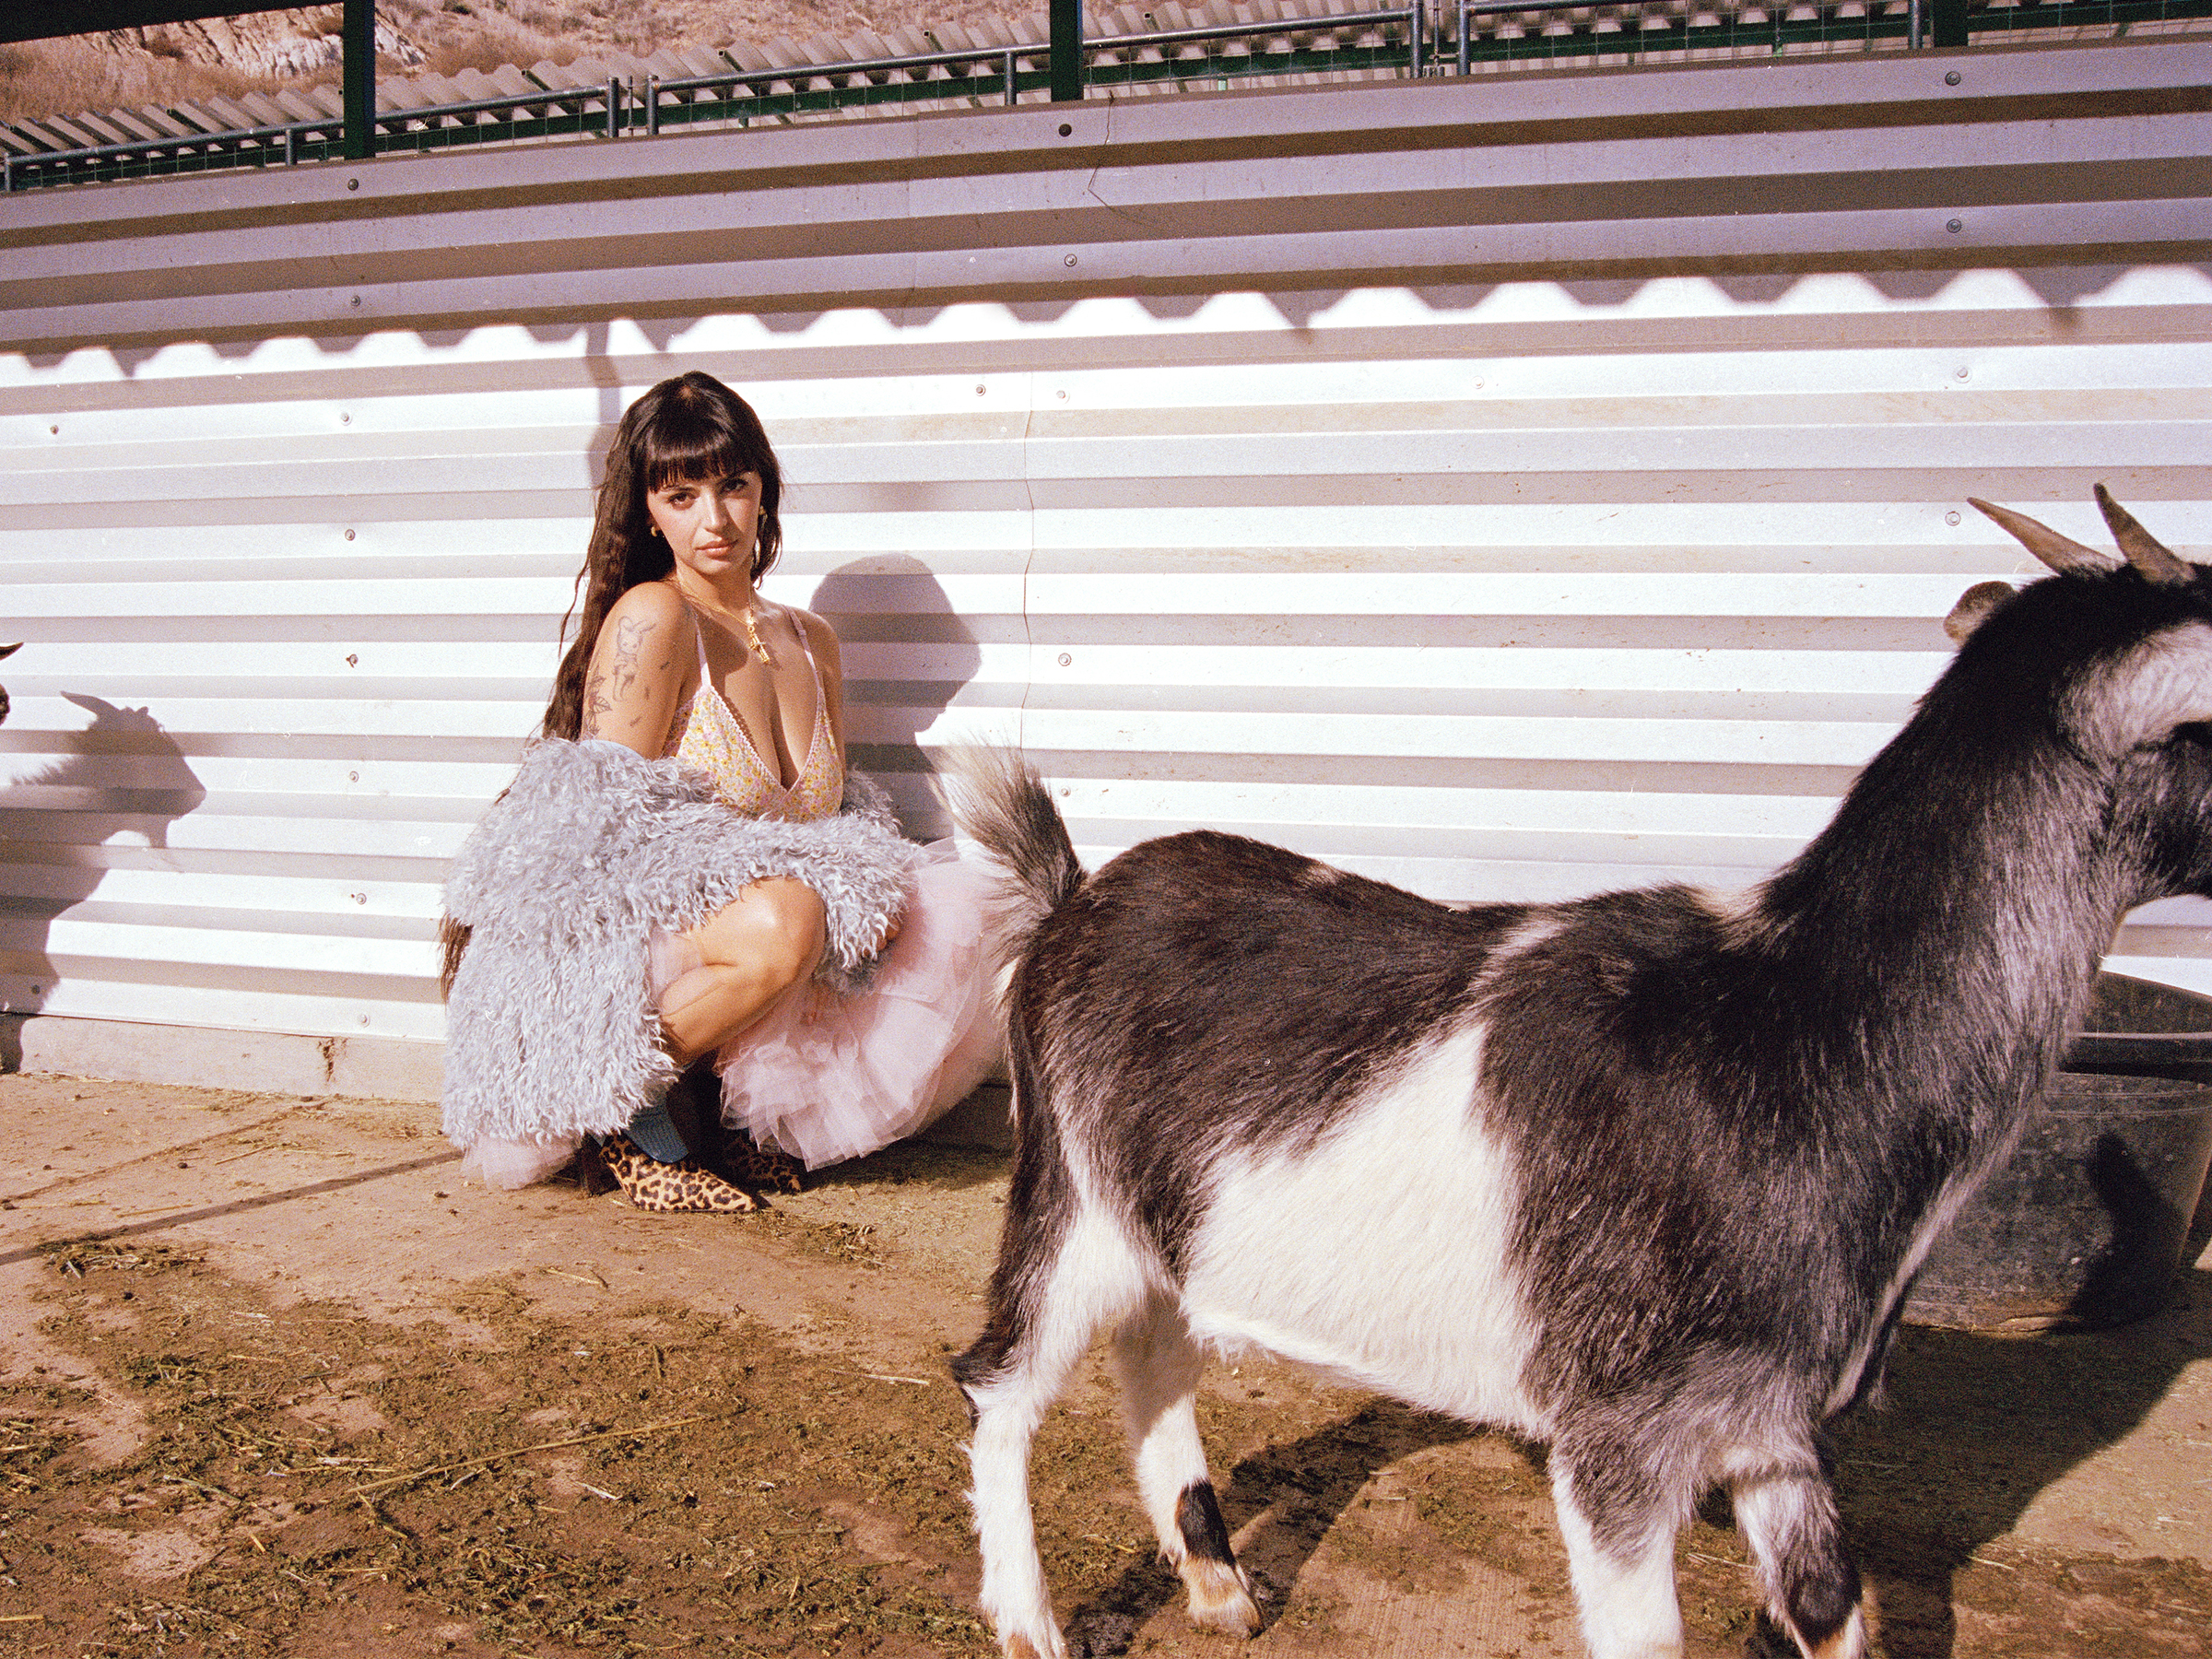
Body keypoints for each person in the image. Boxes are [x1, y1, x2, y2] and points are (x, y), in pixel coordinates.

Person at [439, 371, 1002, 1210]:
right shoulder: (654, 619)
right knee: (791, 915)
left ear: (765, 491)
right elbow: (598, 829)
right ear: (650, 510)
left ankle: (728, 1119)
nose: (715, 520)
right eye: (682, 495)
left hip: (752, 927)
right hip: (650, 928)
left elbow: (833, 818)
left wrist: (867, 883)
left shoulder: (811, 639)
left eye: (734, 486)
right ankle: (615, 1107)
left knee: (958, 906)